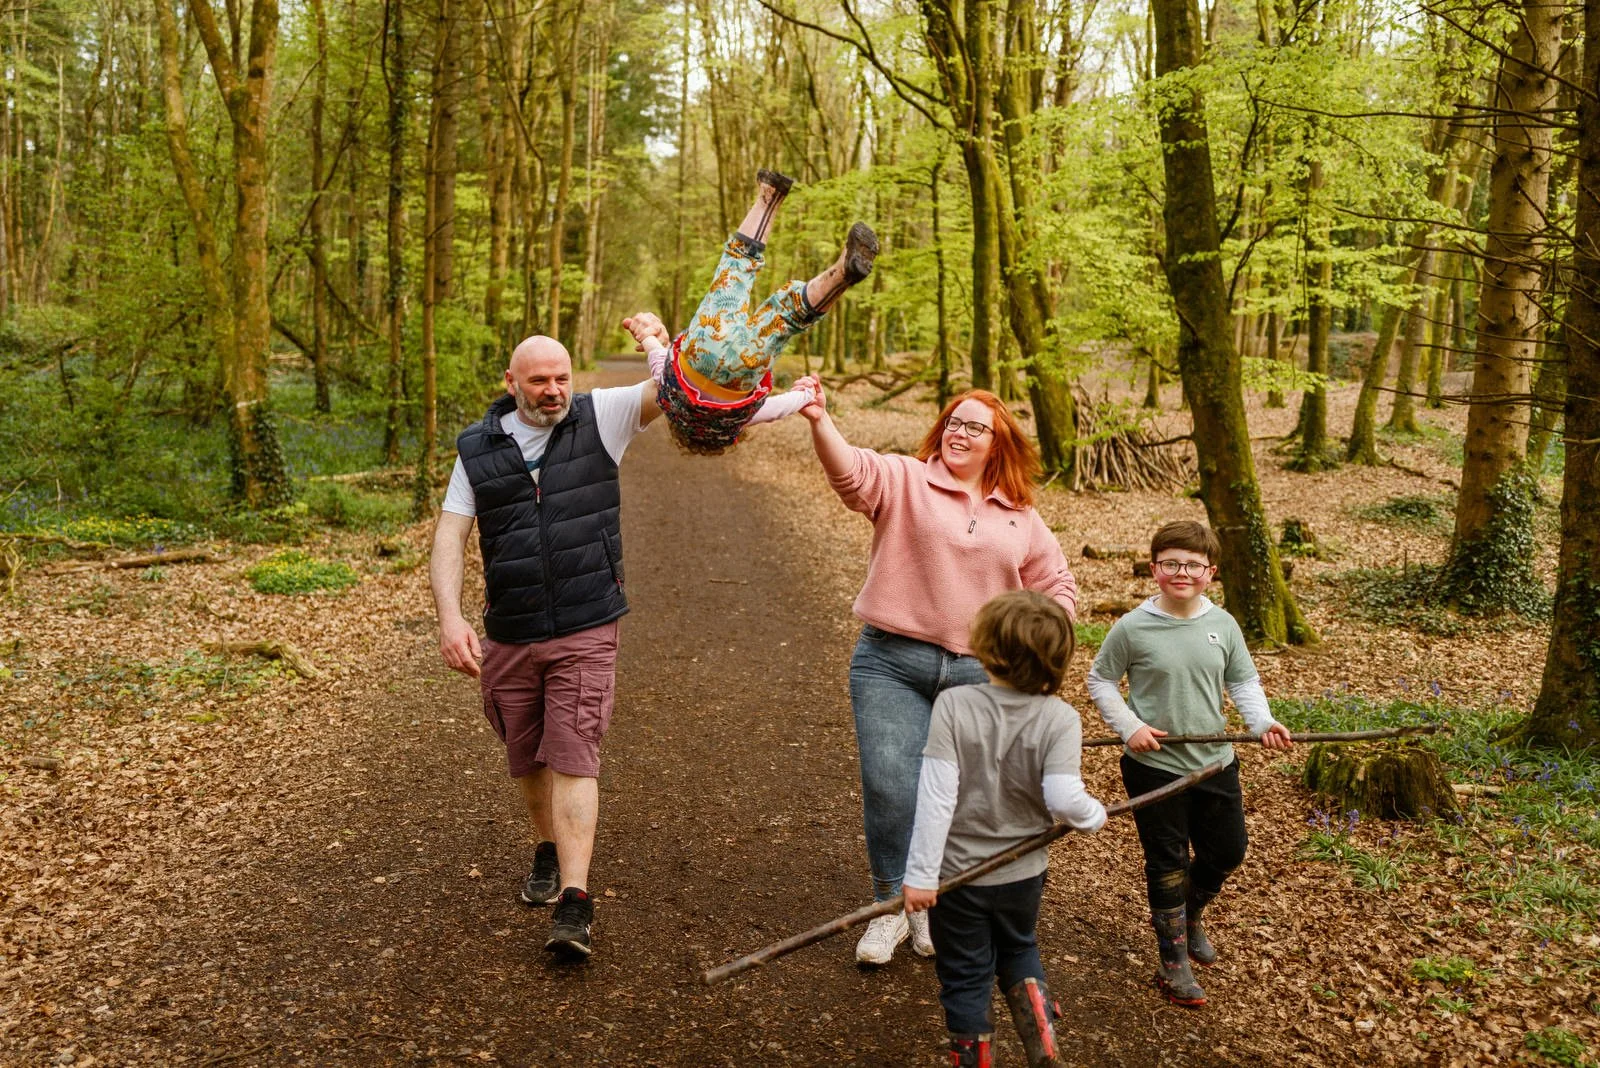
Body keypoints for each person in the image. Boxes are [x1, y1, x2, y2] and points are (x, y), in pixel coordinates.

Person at [801, 383, 1080, 966]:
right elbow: (851, 474)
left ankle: (930, 902)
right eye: (954, 421)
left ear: (997, 441)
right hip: (890, 662)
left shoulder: (1021, 514)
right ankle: (888, 909)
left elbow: (1056, 586)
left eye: (975, 427)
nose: (960, 431)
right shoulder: (905, 479)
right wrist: (820, 420)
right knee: (890, 786)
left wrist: (1041, 649)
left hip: (981, 674)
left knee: (959, 796)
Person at [429, 333, 663, 961]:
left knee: (572, 753)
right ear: (512, 381)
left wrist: (657, 346)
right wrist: (451, 619)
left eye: (561, 378)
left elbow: (677, 392)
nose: (554, 391)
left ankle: (575, 901)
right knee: (525, 754)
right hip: (509, 629)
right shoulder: (477, 450)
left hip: (587, 623)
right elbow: (451, 535)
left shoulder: (601, 416)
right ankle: (546, 847)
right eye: (540, 381)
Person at [1085, 520, 1293, 1007]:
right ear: (1155, 568)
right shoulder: (1132, 626)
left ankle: (1191, 912)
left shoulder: (1223, 624)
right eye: (1171, 563)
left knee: (1228, 850)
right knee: (1167, 863)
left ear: (1211, 572)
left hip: (1215, 762)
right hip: (1154, 766)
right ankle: (1172, 962)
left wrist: (1262, 721)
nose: (1182, 572)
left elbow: (1243, 682)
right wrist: (1129, 726)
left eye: (1193, 565)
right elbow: (1100, 680)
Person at [902, 590, 1107, 1068]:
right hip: (1023, 872)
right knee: (1019, 945)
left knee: (966, 970)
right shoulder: (1061, 717)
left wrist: (921, 875)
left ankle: (974, 1055)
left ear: (987, 650)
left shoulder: (953, 705)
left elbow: (936, 797)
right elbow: (1063, 799)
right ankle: (1040, 1024)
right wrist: (1094, 815)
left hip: (958, 878)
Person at [626, 168, 878, 455]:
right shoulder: (667, 397)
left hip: (742, 375)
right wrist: (642, 332)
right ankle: (770, 196)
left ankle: (843, 273)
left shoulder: (736, 420)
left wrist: (806, 395)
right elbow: (657, 358)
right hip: (700, 351)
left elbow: (777, 408)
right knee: (736, 265)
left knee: (789, 314)